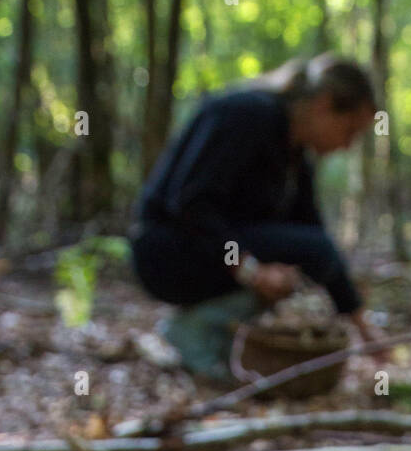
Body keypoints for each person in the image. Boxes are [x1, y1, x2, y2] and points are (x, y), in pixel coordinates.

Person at [130, 54, 380, 381]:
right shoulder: (246, 115)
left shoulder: (294, 155)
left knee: (311, 254)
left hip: (207, 254)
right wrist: (250, 269)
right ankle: (193, 333)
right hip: (164, 251)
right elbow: (192, 205)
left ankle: (211, 337)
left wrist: (364, 327)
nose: (347, 145)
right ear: (323, 104)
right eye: (349, 131)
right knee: (310, 253)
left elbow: (314, 235)